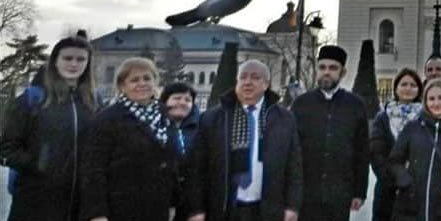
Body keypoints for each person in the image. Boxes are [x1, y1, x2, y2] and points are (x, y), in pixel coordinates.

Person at [186, 59, 302, 221]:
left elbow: (294, 166)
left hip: (267, 208)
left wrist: (292, 206)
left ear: (266, 84)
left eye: (255, 77)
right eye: (243, 77)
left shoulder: (284, 119)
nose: (248, 82)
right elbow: (197, 167)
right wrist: (196, 209)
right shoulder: (213, 118)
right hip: (225, 207)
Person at [0, 35, 98, 221]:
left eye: (80, 59)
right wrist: (39, 164)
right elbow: (6, 147)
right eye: (67, 58)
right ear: (55, 61)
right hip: (36, 202)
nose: (74, 64)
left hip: (80, 203)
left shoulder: (94, 102)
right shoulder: (32, 99)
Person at [80, 57, 179, 221]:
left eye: (147, 78)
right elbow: (94, 169)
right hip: (120, 208)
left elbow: (171, 162)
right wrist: (97, 213)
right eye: (134, 80)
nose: (142, 83)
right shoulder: (107, 119)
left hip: (158, 207)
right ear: (122, 86)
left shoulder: (166, 115)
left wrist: (174, 203)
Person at [291, 45, 370, 221]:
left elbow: (362, 151)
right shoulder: (301, 104)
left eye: (333, 68)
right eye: (322, 67)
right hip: (306, 194)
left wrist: (359, 192)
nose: (327, 72)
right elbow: (291, 150)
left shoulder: (355, 105)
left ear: (342, 73)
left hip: (339, 194)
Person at [389, 79, 441, 221]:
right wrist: (406, 181)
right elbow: (394, 160)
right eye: (431, 99)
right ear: (425, 101)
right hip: (410, 207)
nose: (436, 103)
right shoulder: (413, 128)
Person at [371, 68, 424, 221]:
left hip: (416, 189)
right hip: (387, 190)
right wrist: (392, 180)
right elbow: (376, 152)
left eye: (413, 85)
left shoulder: (425, 117)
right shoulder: (383, 117)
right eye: (404, 84)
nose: (408, 88)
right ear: (396, 88)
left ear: (419, 89)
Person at [162, 82, 201, 221]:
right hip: (163, 199)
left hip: (193, 200)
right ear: (165, 101)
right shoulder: (155, 127)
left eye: (187, 100)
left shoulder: (202, 128)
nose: (182, 103)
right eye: (177, 98)